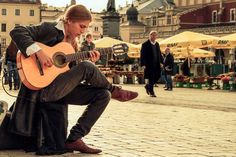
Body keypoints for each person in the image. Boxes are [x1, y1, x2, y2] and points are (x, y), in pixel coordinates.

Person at [7, 4, 138, 155]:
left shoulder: (72, 44)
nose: (83, 31)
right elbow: (16, 31)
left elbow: (70, 72)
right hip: (43, 90)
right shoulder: (49, 29)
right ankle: (115, 90)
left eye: (86, 28)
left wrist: (90, 62)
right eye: (81, 26)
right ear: (68, 20)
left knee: (103, 95)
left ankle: (74, 139)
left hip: (60, 89)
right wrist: (39, 52)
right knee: (87, 67)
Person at [140, 31, 163, 97]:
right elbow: (142, 55)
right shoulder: (145, 44)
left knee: (157, 76)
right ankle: (151, 92)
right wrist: (143, 64)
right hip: (149, 64)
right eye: (152, 35)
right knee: (151, 78)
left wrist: (161, 62)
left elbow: (159, 54)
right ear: (149, 36)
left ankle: (147, 86)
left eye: (155, 35)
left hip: (157, 64)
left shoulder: (157, 44)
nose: (154, 37)